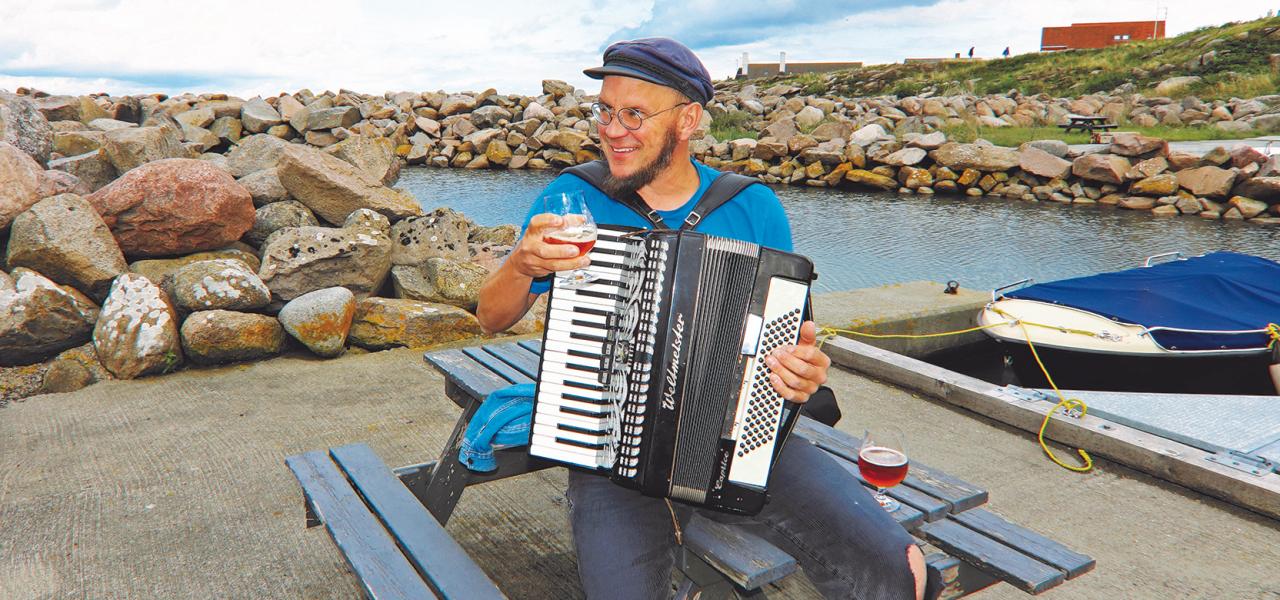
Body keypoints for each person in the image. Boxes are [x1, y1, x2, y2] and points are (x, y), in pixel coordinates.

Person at [475, 37, 929, 600]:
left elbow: (799, 346)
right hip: (603, 445)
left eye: (634, 114)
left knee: (899, 567)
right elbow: (491, 317)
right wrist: (520, 263)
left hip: (742, 437)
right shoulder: (572, 198)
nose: (612, 129)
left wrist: (805, 373)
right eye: (605, 110)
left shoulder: (752, 206)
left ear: (688, 119)